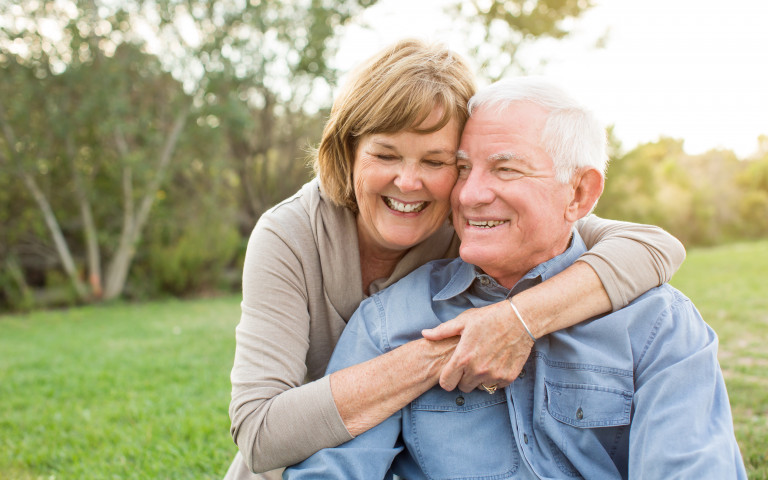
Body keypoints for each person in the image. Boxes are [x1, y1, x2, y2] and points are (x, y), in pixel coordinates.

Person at [225, 39, 687, 480]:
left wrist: (516, 320)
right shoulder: (289, 234)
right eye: (385, 154)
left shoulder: (472, 221)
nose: (408, 183)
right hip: (292, 463)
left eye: (437, 161)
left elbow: (654, 248)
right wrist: (452, 348)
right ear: (348, 153)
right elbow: (260, 433)